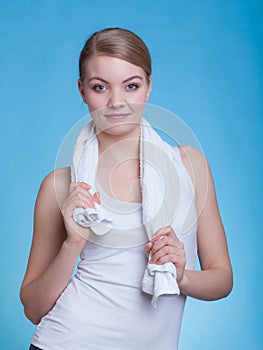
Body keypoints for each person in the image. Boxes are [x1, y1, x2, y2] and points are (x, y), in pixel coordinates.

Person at [20, 27, 233, 350]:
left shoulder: (190, 166)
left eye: (131, 86)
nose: (116, 102)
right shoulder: (60, 186)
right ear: (82, 90)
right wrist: (73, 244)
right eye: (100, 87)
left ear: (149, 87)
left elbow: (222, 280)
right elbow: (33, 309)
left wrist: (181, 276)